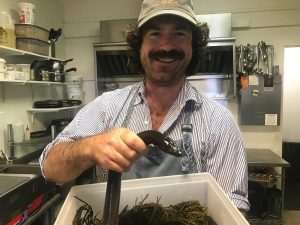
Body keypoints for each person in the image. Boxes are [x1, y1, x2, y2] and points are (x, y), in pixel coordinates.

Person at [40, 0, 250, 212]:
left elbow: (232, 211)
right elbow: (50, 167)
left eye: (179, 34)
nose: (166, 46)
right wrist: (89, 148)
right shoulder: (106, 108)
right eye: (155, 33)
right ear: (138, 45)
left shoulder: (219, 122)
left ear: (193, 47)